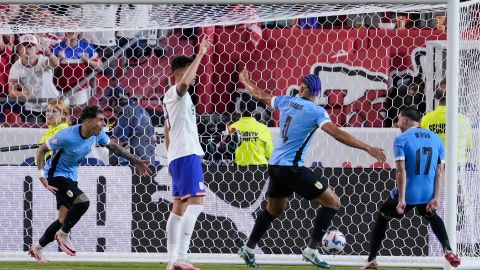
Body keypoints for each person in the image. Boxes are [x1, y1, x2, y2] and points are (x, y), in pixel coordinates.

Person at [237, 70, 386, 268]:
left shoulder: (286, 101)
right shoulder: (316, 111)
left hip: (275, 166)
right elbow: (337, 134)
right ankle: (312, 250)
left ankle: (248, 248)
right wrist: (368, 147)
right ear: (318, 92)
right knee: (333, 203)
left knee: (274, 209)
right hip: (292, 168)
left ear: (302, 88)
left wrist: (246, 81)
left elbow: (262, 95)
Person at [28, 105, 152, 263]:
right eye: (99, 120)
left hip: (70, 176)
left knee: (63, 218)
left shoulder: (97, 134)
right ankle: (63, 234)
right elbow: (41, 150)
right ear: (87, 122)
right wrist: (41, 176)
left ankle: (37, 248)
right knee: (83, 202)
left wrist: (135, 161)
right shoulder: (66, 135)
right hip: (54, 175)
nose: (103, 123)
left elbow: (114, 147)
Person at [361, 106, 461, 270]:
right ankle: (448, 249)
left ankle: (371, 260)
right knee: (431, 215)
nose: (397, 122)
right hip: (428, 193)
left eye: (399, 119)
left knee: (382, 216)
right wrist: (436, 197)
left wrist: (401, 199)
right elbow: (440, 171)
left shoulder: (401, 139)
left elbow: (401, 171)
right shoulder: (437, 139)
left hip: (409, 192)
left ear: (405, 120)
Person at [162, 36, 211, 270]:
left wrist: (171, 157)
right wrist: (200, 54)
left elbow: (166, 130)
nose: (194, 76)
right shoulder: (176, 91)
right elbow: (184, 84)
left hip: (178, 155)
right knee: (197, 203)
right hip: (186, 154)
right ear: (178, 74)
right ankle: (181, 257)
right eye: (189, 72)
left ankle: (173, 261)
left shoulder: (177, 99)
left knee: (179, 208)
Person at [8, 34, 61, 123]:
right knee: (35, 133)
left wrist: (49, 53)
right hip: (33, 107)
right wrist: (21, 94)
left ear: (36, 49)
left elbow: (56, 64)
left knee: (55, 132)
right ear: (20, 49)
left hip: (52, 103)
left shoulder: (43, 60)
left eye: (31, 46)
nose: (28, 49)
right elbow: (11, 91)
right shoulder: (16, 67)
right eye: (24, 46)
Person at [420, 78, 473, 164]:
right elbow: (468, 147)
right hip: (458, 166)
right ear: (456, 94)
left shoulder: (426, 119)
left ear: (436, 96)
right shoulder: (464, 120)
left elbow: (422, 144)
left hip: (433, 166)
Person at [106, 78, 156, 166]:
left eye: (110, 103)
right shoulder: (143, 110)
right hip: (150, 162)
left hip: (137, 166)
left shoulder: (125, 111)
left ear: (114, 102)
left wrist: (112, 164)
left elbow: (118, 142)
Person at [221, 99, 273, 166]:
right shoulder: (263, 128)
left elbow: (226, 150)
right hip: (260, 169)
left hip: (239, 169)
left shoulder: (232, 127)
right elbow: (270, 154)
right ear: (255, 110)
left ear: (240, 109)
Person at [36, 98, 70, 163]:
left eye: (54, 111)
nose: (49, 114)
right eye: (48, 111)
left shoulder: (64, 131)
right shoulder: (51, 129)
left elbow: (56, 156)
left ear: (64, 115)